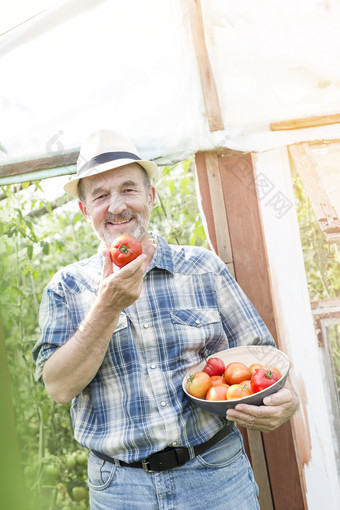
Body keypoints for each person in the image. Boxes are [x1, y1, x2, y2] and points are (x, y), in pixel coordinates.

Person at [32, 129, 298, 510]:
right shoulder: (67, 288)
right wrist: (106, 307)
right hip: (120, 489)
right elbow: (58, 387)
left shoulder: (203, 268)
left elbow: (265, 358)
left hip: (215, 476)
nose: (117, 206)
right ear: (84, 210)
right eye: (101, 196)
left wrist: (285, 400)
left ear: (151, 196)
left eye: (128, 189)